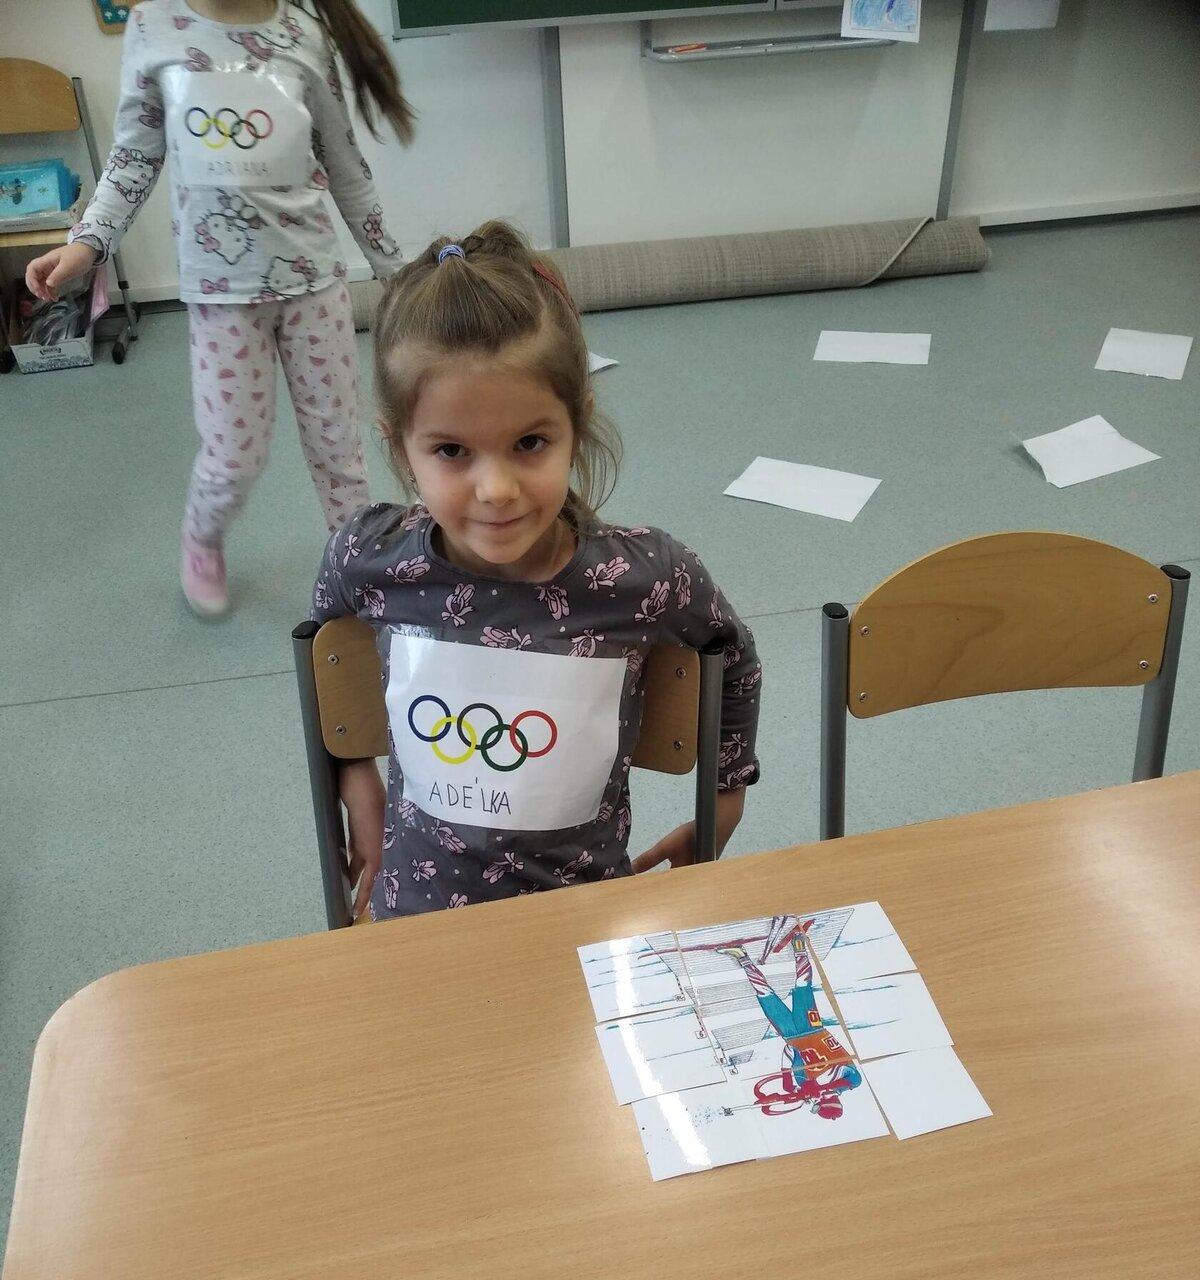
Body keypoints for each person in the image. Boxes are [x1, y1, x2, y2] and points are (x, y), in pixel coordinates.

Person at [310, 221, 763, 919]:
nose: (496, 490)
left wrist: (725, 800)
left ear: (576, 427)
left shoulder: (643, 576)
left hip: (586, 929)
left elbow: (731, 654)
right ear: (401, 450)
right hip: (416, 929)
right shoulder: (370, 557)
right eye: (452, 451)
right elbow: (321, 646)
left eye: (529, 443)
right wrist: (351, 770)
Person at [25, 0, 415, 618]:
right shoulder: (153, 27)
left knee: (339, 450)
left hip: (314, 283)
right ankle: (202, 537)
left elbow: (344, 164)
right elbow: (135, 156)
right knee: (234, 458)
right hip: (220, 295)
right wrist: (86, 243)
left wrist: (398, 271)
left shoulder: (306, 35)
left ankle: (354, 565)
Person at [717, 923, 861, 1119]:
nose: (815, 1102)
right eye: (819, 1105)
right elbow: (853, 1078)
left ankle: (742, 957)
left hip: (790, 1035)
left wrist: (788, 1080)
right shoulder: (848, 1080)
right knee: (802, 986)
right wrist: (821, 1089)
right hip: (812, 1029)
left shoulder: (803, 1083)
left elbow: (790, 1050)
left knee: (765, 995)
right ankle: (799, 944)